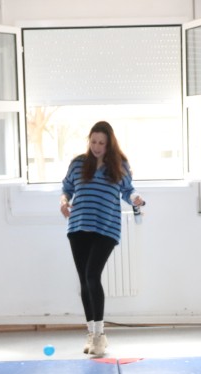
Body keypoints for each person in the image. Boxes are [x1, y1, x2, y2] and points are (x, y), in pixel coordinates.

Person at [59, 121, 144, 358]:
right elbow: (66, 188)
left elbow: (128, 191)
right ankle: (92, 333)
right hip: (78, 226)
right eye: (93, 141)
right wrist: (63, 202)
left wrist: (136, 198)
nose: (96, 147)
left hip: (106, 228)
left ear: (109, 144)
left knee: (92, 275)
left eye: (101, 143)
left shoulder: (119, 165)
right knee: (84, 281)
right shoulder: (78, 163)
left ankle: (100, 335)